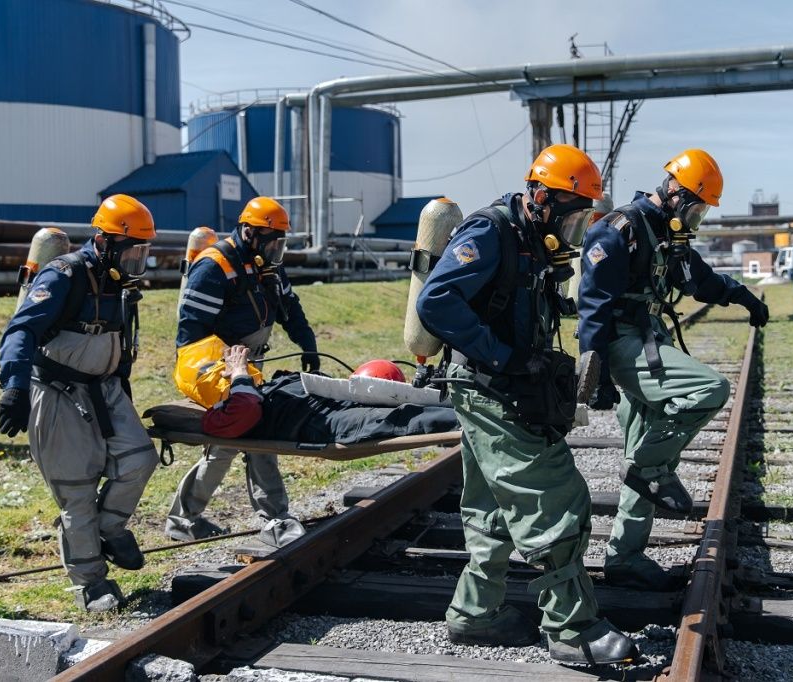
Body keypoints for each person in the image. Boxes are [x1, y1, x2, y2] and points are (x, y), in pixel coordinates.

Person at [416, 144, 638, 665]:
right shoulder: (490, 233)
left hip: (495, 386)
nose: (579, 229)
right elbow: (435, 301)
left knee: (490, 504)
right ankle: (572, 629)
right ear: (542, 198)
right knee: (557, 498)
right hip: (491, 389)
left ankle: (476, 614)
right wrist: (506, 358)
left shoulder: (532, 238)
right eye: (575, 216)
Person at [577, 149, 769, 590]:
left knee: (643, 451)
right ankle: (649, 468)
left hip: (649, 339)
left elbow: (699, 280)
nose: (697, 220)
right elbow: (594, 309)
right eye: (698, 209)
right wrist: (599, 374)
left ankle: (624, 557)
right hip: (624, 343)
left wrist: (743, 297)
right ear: (677, 194)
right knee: (710, 389)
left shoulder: (666, 231)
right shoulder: (618, 230)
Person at [0, 194, 159, 612]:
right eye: (132, 253)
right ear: (105, 243)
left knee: (140, 458)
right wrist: (14, 388)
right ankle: (90, 583)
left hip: (104, 389)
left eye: (143, 254)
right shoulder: (63, 275)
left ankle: (109, 528)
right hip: (57, 392)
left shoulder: (118, 283)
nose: (136, 264)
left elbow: (120, 344)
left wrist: (122, 391)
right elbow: (21, 332)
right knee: (77, 491)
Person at [165, 197, 318, 548]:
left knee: (225, 445)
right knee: (257, 431)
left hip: (250, 362)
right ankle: (275, 517)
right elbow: (192, 332)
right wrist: (228, 372)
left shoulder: (266, 264)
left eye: (282, 243)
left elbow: (288, 306)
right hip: (221, 364)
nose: (277, 250)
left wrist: (307, 342)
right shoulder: (215, 266)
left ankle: (183, 518)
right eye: (272, 242)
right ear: (249, 232)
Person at [181, 345, 458, 442]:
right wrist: (240, 373)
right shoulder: (223, 413)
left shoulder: (252, 390)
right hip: (313, 423)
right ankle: (467, 422)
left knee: (402, 396)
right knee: (395, 420)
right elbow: (246, 411)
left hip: (324, 399)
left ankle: (472, 409)